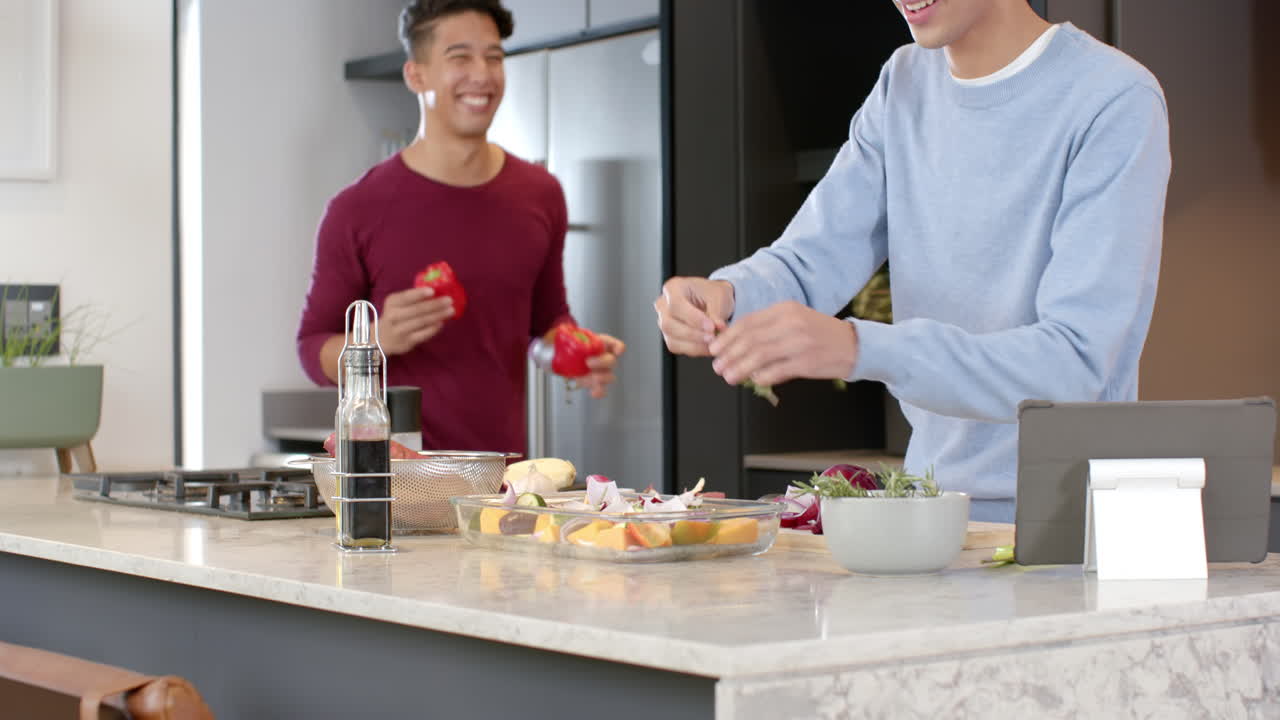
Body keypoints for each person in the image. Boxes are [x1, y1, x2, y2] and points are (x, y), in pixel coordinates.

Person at [653, 0, 1171, 522]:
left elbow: (1074, 364)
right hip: (932, 510)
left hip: (1067, 522)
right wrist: (727, 296)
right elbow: (812, 259)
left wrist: (860, 346)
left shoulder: (1113, 97)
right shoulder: (903, 82)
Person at [298, 0, 624, 455]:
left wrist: (570, 355)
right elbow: (311, 349)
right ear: (417, 76)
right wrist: (377, 340)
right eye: (460, 57)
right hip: (397, 480)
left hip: (500, 477)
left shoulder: (540, 193)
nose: (483, 75)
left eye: (494, 57)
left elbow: (546, 324)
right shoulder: (357, 209)